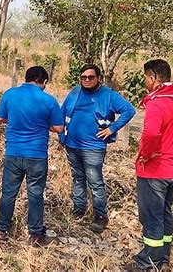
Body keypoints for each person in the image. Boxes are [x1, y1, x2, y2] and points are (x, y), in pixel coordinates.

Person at [128, 59, 173, 270]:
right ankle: (163, 258)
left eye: (145, 77)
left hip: (155, 171)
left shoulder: (157, 102)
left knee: (151, 217)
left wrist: (145, 154)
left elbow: (152, 132)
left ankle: (147, 262)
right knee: (165, 214)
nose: (145, 81)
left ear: (152, 78)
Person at [60, 64, 135, 233]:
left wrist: (113, 128)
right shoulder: (74, 92)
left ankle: (100, 216)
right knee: (77, 178)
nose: (87, 80)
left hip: (93, 147)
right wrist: (61, 135)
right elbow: (62, 111)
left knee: (95, 181)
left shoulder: (108, 95)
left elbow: (129, 110)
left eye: (90, 77)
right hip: (72, 145)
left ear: (98, 78)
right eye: (84, 77)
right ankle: (79, 209)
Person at [0, 66, 64, 246]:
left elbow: (0, 118)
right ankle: (35, 234)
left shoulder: (9, 94)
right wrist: (43, 126)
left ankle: (2, 230)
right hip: (37, 155)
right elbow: (59, 128)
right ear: (44, 82)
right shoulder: (49, 100)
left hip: (13, 153)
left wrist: (17, 120)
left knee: (8, 193)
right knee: (35, 194)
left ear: (26, 78)